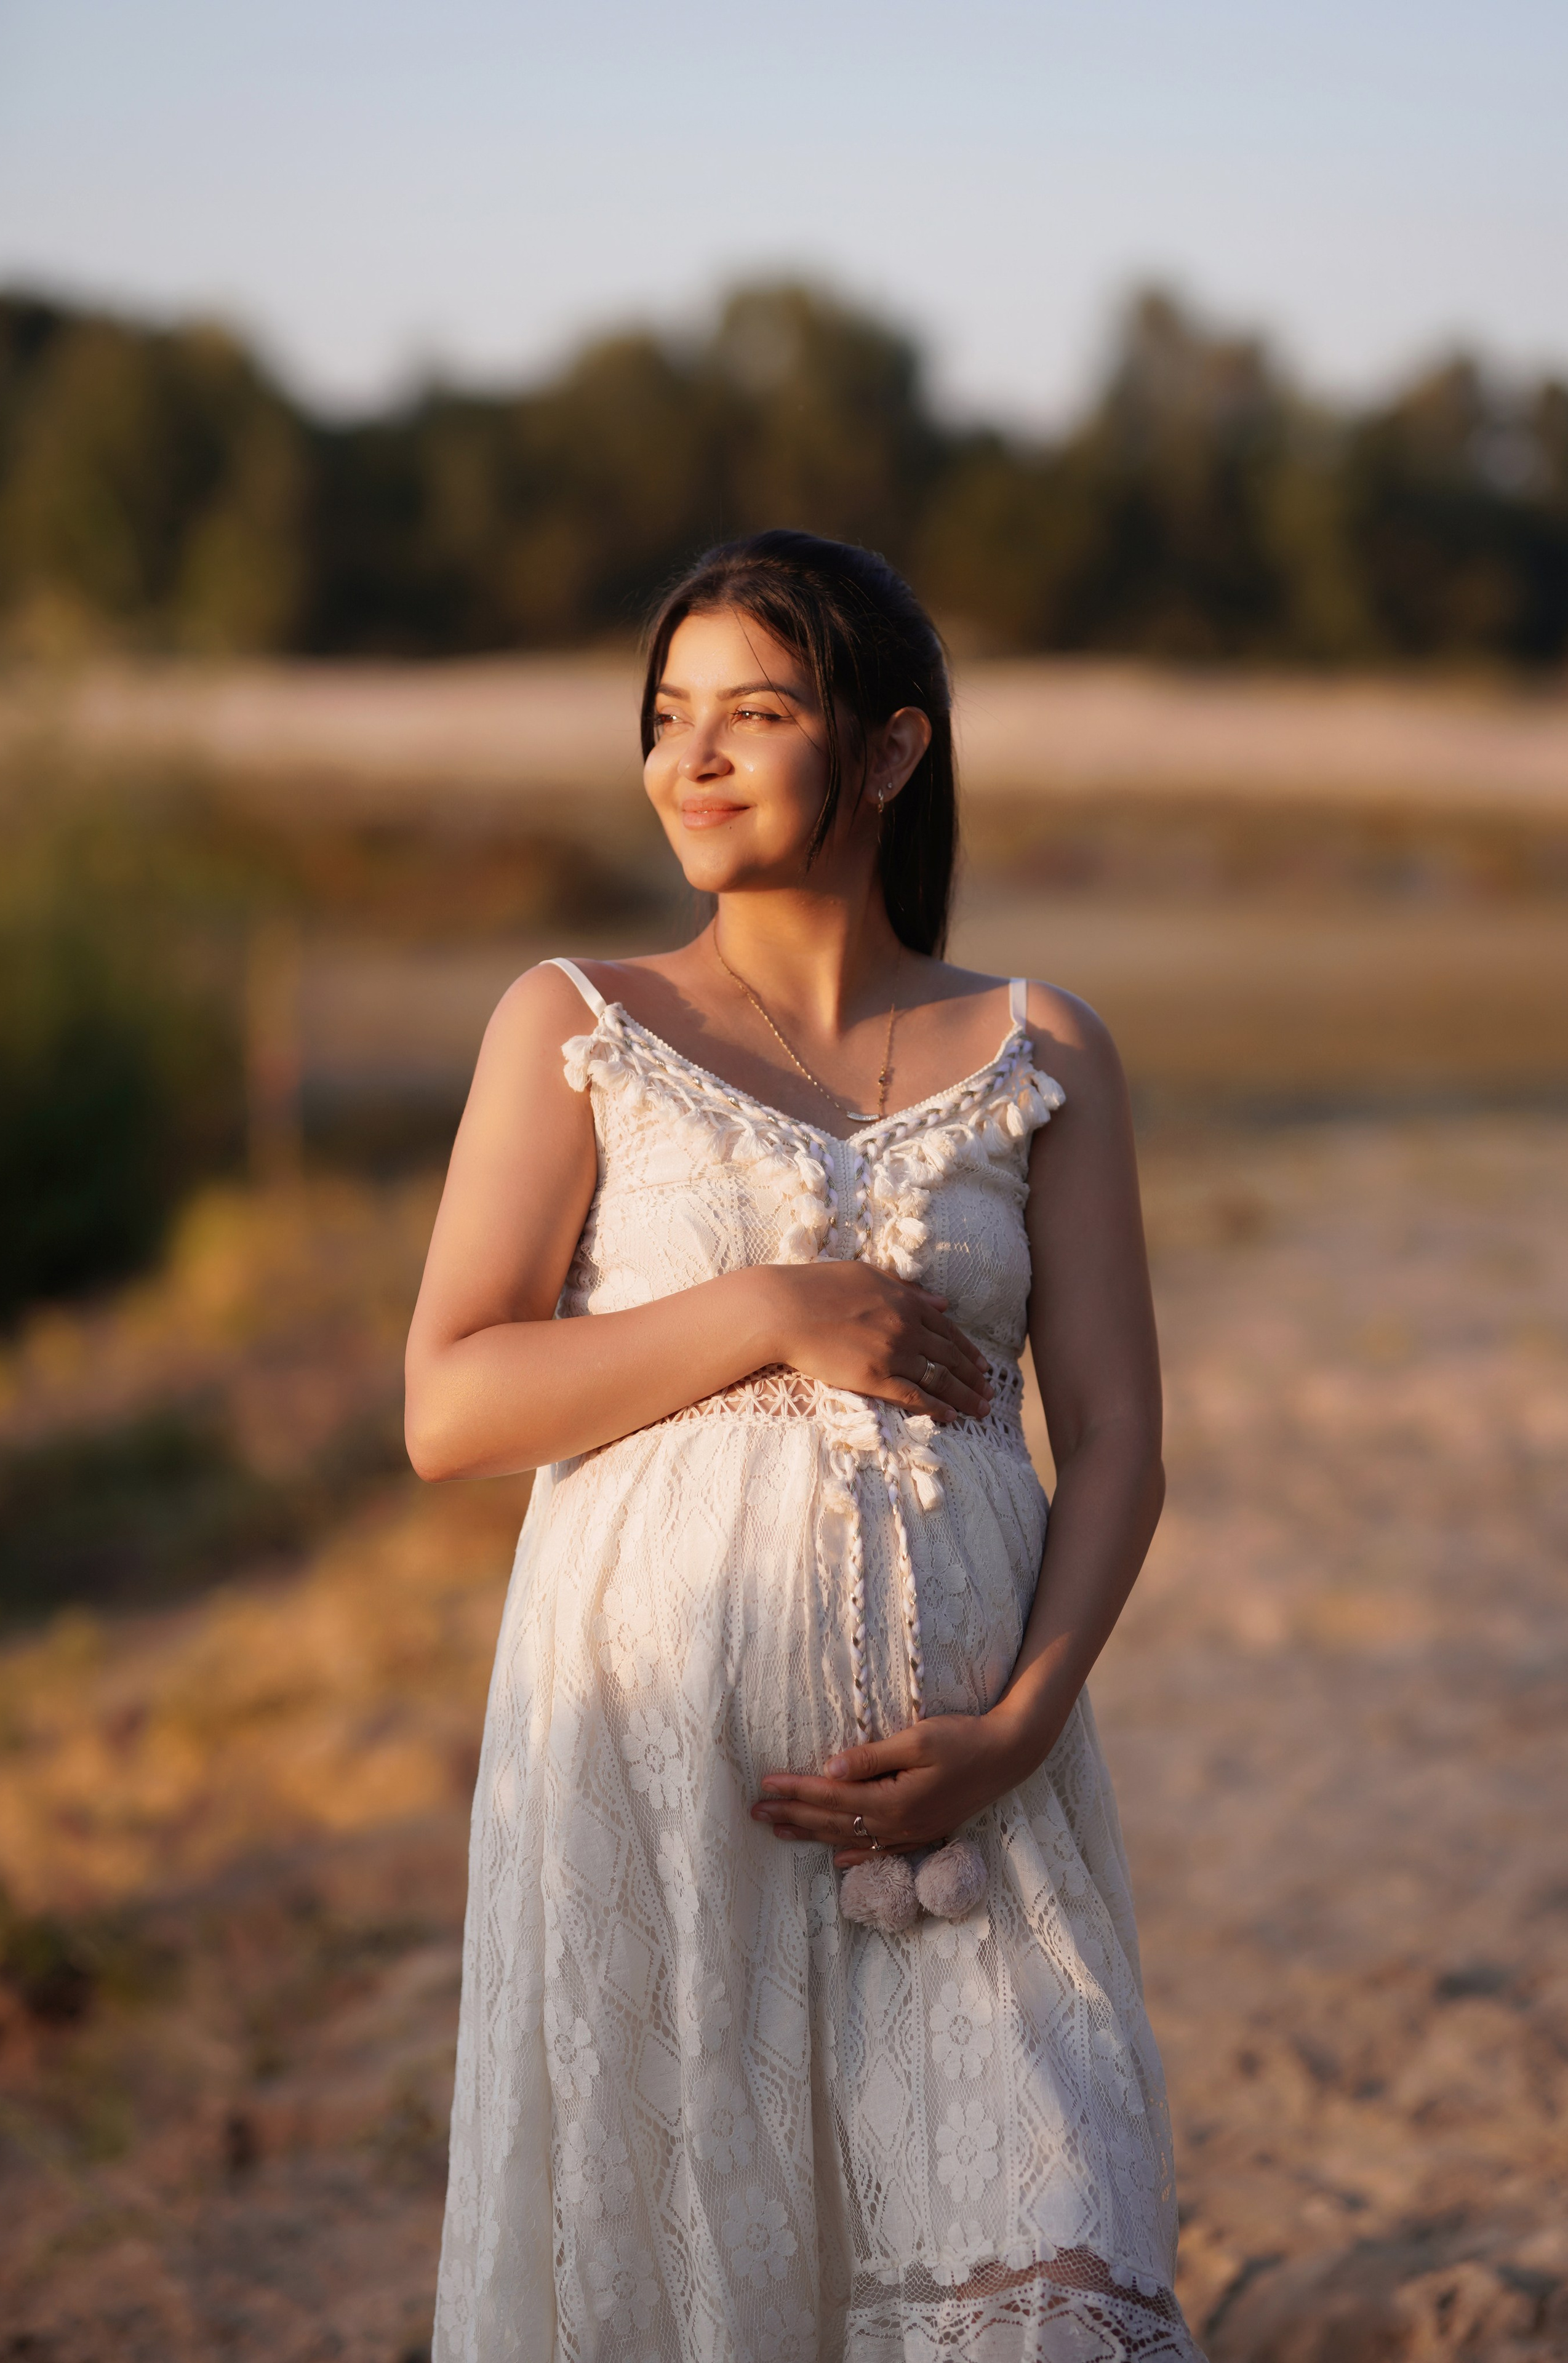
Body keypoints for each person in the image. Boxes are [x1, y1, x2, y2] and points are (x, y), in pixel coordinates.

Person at [406, 529, 1203, 2361]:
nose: (691, 760)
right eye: (667, 718)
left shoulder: (1042, 1046)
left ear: (889, 751)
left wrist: (1019, 1730)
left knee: (1048, 2247)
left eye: (755, 714)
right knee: (700, 2275)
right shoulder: (578, 1024)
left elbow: (1126, 1434)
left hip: (977, 1796)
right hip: (659, 1784)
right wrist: (768, 1311)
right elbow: (450, 1403)